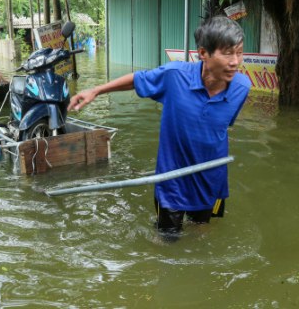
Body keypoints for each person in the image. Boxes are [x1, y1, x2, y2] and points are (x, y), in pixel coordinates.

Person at [68, 16, 251, 237]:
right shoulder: (175, 77)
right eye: (227, 53)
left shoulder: (242, 87)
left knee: (202, 235)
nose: (235, 62)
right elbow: (137, 80)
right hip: (171, 181)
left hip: (210, 180)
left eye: (239, 53)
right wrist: (96, 90)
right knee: (166, 241)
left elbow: (220, 128)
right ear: (203, 53)